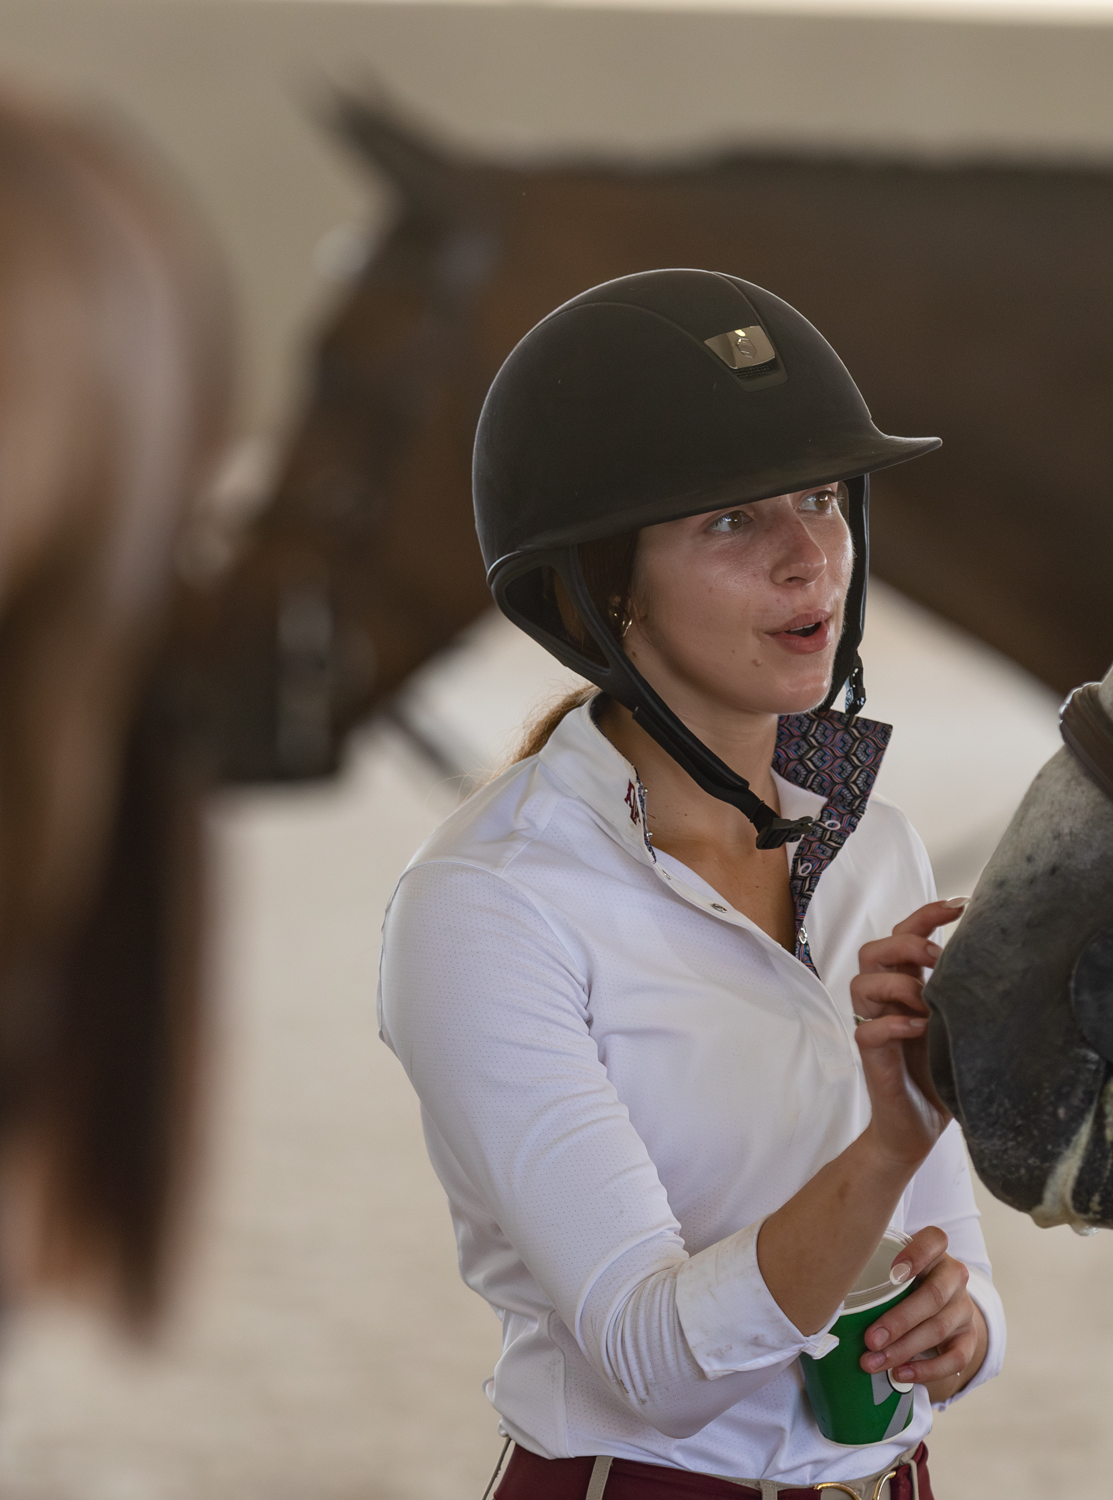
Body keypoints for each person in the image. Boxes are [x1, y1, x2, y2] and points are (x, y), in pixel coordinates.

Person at [377, 270, 1003, 1500]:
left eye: (822, 499)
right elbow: (652, 1359)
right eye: (729, 520)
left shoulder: (875, 846)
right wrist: (889, 1140)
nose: (806, 559)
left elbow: (956, 1262)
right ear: (602, 588)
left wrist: (960, 1324)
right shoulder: (483, 907)